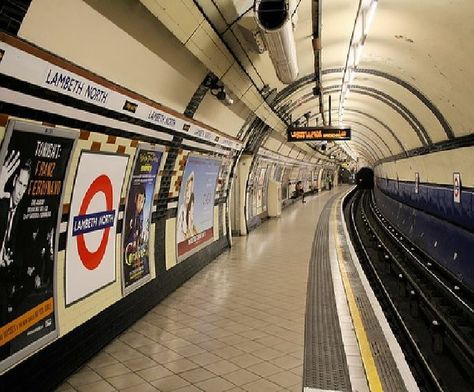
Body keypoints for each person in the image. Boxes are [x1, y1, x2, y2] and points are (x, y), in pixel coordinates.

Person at [0, 151, 31, 357]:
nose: (20, 191)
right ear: (12, 182)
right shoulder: (2, 204)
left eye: (25, 186)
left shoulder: (20, 213)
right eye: (19, 184)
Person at [124, 184, 146, 267]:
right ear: (135, 199)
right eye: (140, 200)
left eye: (143, 201)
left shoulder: (140, 219)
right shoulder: (130, 218)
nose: (141, 204)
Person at [177, 171, 195, 242]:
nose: (188, 194)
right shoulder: (182, 210)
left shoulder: (190, 213)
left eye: (190, 191)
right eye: (187, 190)